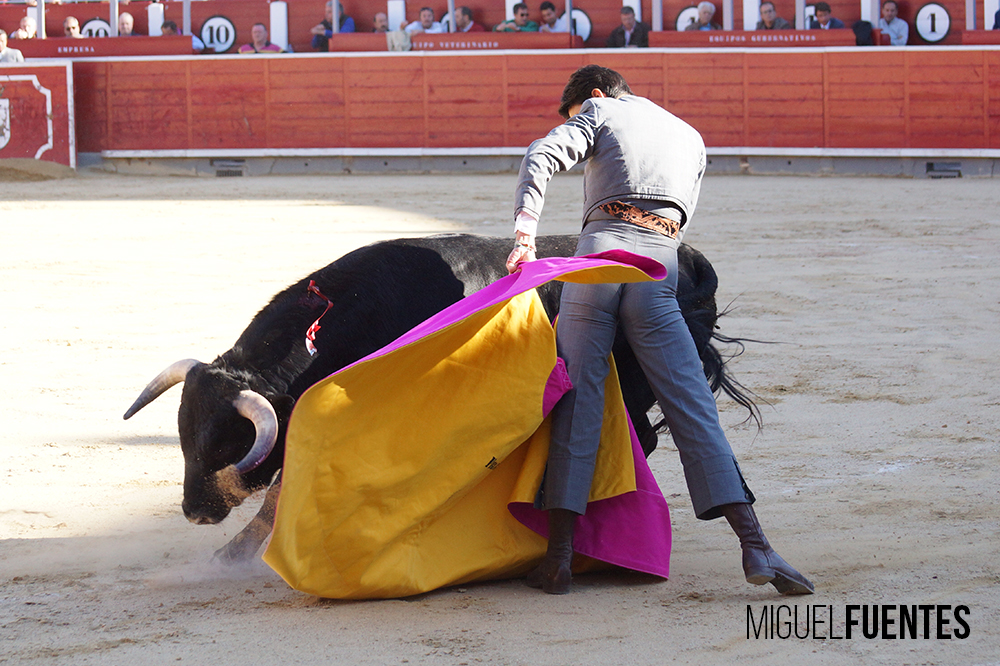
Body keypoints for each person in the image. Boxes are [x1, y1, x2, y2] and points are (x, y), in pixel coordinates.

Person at [505, 65, 815, 598]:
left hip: (601, 254)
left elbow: (541, 154)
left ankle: (558, 558)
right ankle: (755, 543)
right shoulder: (689, 135)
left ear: (596, 94)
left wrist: (526, 233)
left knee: (578, 394)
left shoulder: (598, 111)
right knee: (691, 401)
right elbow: (682, 216)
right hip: (660, 265)